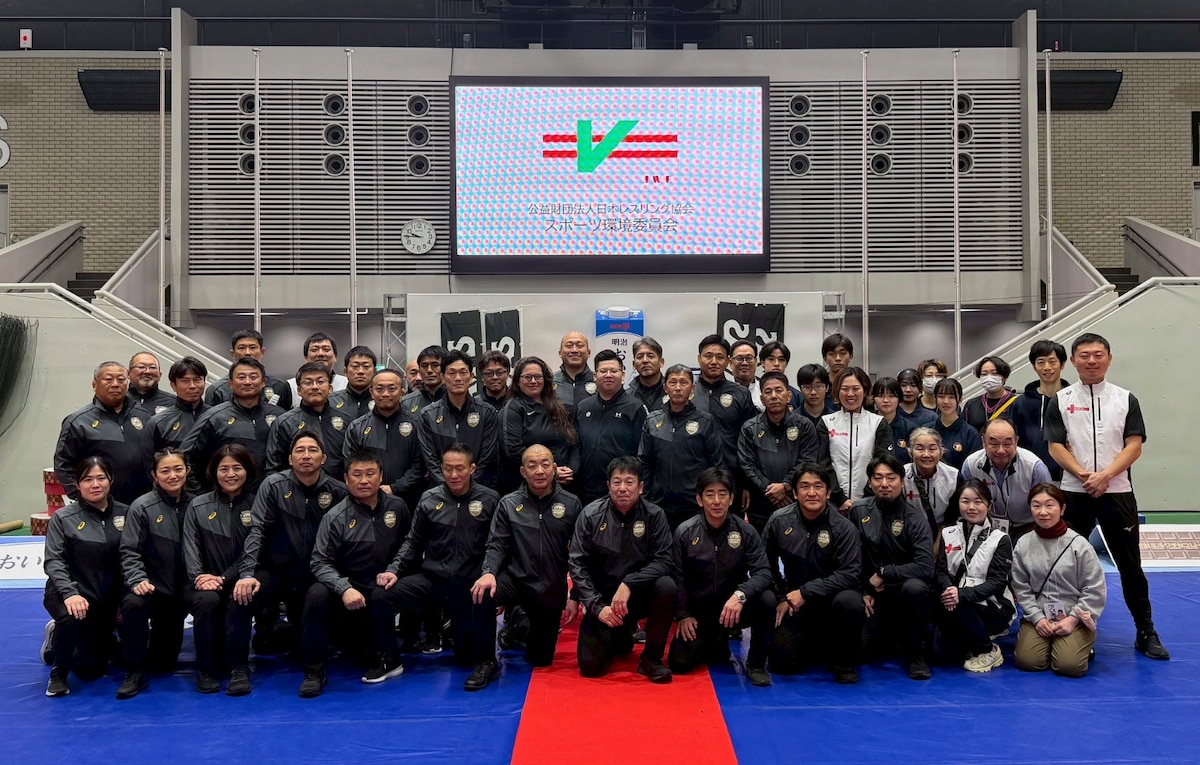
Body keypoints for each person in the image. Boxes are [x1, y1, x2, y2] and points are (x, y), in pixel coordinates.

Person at [1044, 332, 1168, 660]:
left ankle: (1145, 630)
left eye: (1098, 354)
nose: (1092, 361)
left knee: (1130, 566)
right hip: (1075, 491)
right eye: (1084, 355)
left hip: (1117, 492)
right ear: (1073, 361)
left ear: (1109, 358)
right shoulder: (1061, 400)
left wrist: (1106, 476)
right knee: (1066, 565)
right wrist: (1084, 475)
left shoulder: (1126, 399)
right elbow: (1054, 445)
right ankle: (1070, 629)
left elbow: (1134, 445)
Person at [367, 444, 501, 690]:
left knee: (465, 655)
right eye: (448, 469)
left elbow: (496, 543)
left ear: (472, 468)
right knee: (380, 595)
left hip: (469, 584)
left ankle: (486, 662)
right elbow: (412, 541)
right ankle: (389, 659)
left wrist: (489, 573)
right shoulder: (429, 498)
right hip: (433, 580)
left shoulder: (490, 499)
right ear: (441, 469)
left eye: (460, 468)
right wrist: (394, 570)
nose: (453, 475)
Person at [298, 451, 411, 697]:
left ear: (381, 476)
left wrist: (394, 571)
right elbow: (319, 563)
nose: (364, 481)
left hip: (385, 590)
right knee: (316, 594)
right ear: (347, 480)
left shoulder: (398, 507)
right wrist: (343, 588)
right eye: (357, 475)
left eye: (370, 474)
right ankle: (314, 671)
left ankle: (394, 652)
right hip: (351, 594)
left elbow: (410, 546)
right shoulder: (335, 516)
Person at [233, 433, 348, 657]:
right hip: (277, 571)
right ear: (290, 458)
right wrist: (247, 574)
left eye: (313, 450)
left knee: (309, 644)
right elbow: (257, 530)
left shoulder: (338, 491)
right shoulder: (273, 485)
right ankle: (237, 666)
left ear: (323, 458)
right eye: (300, 450)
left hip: (318, 574)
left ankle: (309, 659)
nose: (306, 455)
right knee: (242, 594)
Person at [472, 445, 583, 667]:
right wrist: (489, 573)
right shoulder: (509, 503)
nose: (539, 471)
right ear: (523, 471)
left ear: (554, 469)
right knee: (482, 593)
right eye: (532, 466)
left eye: (545, 465)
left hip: (550, 587)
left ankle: (517, 624)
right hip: (516, 580)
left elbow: (581, 555)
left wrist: (576, 597)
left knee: (541, 659)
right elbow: (496, 545)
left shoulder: (572, 504)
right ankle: (486, 663)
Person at [570, 456, 676, 682]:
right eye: (617, 482)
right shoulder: (590, 515)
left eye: (629, 482)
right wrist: (596, 606)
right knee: (589, 667)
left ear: (640, 487)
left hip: (638, 595)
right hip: (604, 600)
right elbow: (577, 565)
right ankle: (619, 635)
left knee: (666, 586)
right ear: (608, 486)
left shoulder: (655, 515)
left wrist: (630, 583)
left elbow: (665, 560)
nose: (622, 488)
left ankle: (651, 659)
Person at [670, 467, 775, 687]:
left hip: (733, 609)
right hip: (699, 612)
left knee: (767, 599)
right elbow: (677, 577)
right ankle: (714, 639)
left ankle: (755, 664)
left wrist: (742, 594)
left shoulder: (746, 532)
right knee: (678, 663)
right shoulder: (685, 532)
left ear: (731, 498)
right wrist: (683, 614)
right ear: (699, 500)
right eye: (710, 494)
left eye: (722, 494)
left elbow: (764, 572)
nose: (716, 501)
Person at [763, 463, 864, 684]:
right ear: (795, 493)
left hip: (833, 603)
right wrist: (781, 597)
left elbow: (850, 574)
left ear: (828, 493)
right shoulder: (779, 521)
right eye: (805, 486)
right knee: (781, 662)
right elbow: (764, 565)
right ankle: (815, 644)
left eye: (818, 487)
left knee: (850, 600)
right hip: (795, 605)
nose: (811, 492)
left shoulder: (844, 527)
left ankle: (843, 662)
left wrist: (807, 591)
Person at [42, 457, 128, 697]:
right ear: (77, 485)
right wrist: (70, 594)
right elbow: (54, 561)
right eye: (87, 479)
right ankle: (58, 671)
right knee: (70, 619)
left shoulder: (127, 513)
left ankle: (91, 640)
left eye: (101, 478)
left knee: (91, 668)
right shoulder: (63, 518)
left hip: (105, 596)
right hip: (69, 593)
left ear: (110, 480)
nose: (95, 484)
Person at [115, 448, 192, 699]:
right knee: (133, 604)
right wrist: (138, 579)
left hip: (179, 592)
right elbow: (129, 550)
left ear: (187, 471)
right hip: (148, 588)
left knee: (162, 665)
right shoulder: (141, 507)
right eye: (165, 471)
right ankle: (133, 670)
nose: (172, 475)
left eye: (178, 469)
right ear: (154, 475)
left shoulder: (198, 504)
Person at [850, 455, 935, 680]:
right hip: (873, 595)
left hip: (904, 594)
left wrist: (886, 573)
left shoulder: (915, 518)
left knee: (916, 588)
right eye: (878, 478)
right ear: (870, 482)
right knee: (860, 652)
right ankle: (889, 634)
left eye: (891, 477)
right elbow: (851, 557)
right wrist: (863, 590)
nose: (884, 484)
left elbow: (926, 567)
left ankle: (916, 655)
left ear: (902, 481)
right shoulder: (858, 511)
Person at [182, 444, 259, 695]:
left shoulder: (258, 504)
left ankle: (239, 667)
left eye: (237, 468)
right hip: (204, 581)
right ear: (214, 472)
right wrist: (198, 578)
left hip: (238, 577)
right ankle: (205, 669)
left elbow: (253, 549)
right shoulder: (198, 505)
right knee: (206, 601)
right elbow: (190, 545)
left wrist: (227, 577)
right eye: (224, 468)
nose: (230, 474)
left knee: (241, 595)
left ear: (247, 470)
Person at [1011, 483, 1107, 677]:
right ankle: (1051, 642)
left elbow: (1094, 588)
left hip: (1074, 615)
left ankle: (1082, 643)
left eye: (1050, 505)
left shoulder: (1080, 545)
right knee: (1028, 661)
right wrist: (1037, 618)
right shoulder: (1023, 544)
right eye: (1036, 505)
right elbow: (1021, 587)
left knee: (1069, 666)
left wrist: (1073, 619)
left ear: (1062, 509)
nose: (1043, 512)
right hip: (1040, 614)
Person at [933, 480, 1016, 673]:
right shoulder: (947, 533)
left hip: (994, 607)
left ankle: (989, 650)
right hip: (955, 602)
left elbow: (996, 583)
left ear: (989, 505)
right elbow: (941, 571)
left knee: (963, 607)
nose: (971, 507)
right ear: (958, 503)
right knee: (939, 654)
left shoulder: (1000, 539)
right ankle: (969, 640)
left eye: (978, 501)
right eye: (965, 501)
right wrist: (949, 591)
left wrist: (960, 595)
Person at [639, 364, 723, 529]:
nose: (678, 388)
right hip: (658, 504)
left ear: (692, 388)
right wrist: (646, 499)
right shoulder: (652, 420)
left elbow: (715, 465)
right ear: (665, 387)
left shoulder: (705, 421)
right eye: (673, 382)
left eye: (683, 383)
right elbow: (644, 463)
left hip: (694, 505)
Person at [55, 361, 151, 505]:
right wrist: (80, 497)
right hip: (100, 506)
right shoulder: (78, 422)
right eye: (108, 379)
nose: (115, 384)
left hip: (143, 503)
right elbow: (63, 465)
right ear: (94, 385)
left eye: (121, 379)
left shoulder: (144, 415)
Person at [182, 357, 284, 491]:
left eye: (253, 377)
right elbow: (186, 455)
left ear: (263, 382)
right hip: (225, 500)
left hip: (269, 499)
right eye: (241, 377)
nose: (247, 382)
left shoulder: (280, 416)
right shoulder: (214, 417)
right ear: (230, 384)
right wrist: (200, 494)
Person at [737, 371, 820, 532]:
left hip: (795, 500)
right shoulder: (749, 428)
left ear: (789, 396)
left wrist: (786, 486)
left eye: (779, 390)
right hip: (761, 503)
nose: (773, 396)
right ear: (762, 399)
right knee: (764, 552)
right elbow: (747, 464)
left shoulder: (804, 425)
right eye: (768, 392)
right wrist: (771, 490)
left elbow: (808, 461)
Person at [342, 367, 425, 508]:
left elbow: (420, 465)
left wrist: (395, 488)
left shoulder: (417, 424)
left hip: (409, 499)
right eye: (379, 389)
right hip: (366, 501)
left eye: (392, 389)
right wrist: (372, 487)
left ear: (402, 392)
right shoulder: (357, 427)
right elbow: (351, 463)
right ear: (371, 392)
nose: (385, 394)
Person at [574, 349, 647, 505]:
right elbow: (576, 446)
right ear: (595, 376)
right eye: (603, 371)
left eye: (614, 371)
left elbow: (642, 454)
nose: (608, 375)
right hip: (586, 489)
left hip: (621, 491)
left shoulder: (635, 408)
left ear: (622, 375)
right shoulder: (583, 407)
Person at [420, 350, 500, 491]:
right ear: (443, 377)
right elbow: (430, 459)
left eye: (463, 373)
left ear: (471, 377)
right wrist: (448, 486)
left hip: (479, 491)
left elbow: (486, 457)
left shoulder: (487, 412)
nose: (458, 378)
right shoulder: (428, 415)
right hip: (441, 492)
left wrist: (468, 486)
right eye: (451, 373)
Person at [959, 419, 1053, 538]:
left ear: (1016, 441)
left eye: (1007, 444)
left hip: (1028, 528)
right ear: (983, 442)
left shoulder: (1034, 468)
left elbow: (1050, 503)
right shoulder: (971, 465)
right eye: (994, 444)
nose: (1001, 450)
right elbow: (964, 502)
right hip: (987, 528)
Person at [499, 356, 579, 493]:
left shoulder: (558, 406)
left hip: (565, 486)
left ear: (545, 379)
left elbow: (574, 441)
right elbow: (513, 450)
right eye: (527, 377)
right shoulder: (513, 409)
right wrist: (550, 471)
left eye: (538, 377)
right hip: (529, 488)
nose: (533, 381)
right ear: (518, 381)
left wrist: (572, 469)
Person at [692, 335, 758, 499]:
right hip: (691, 479)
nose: (714, 361)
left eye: (719, 357)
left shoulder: (741, 394)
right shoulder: (688, 391)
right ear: (699, 359)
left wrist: (746, 485)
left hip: (731, 479)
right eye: (708, 356)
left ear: (728, 361)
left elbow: (749, 443)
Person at [823, 367, 892, 511]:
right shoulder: (826, 422)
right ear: (836, 391)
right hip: (833, 504)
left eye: (856, 388)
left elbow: (883, 463)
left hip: (871, 503)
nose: (850, 394)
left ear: (865, 391)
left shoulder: (878, 422)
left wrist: (864, 500)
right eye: (845, 389)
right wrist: (840, 499)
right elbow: (823, 463)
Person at [266, 362, 348, 479]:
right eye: (308, 382)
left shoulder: (346, 421)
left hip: (338, 491)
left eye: (320, 382)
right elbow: (274, 468)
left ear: (330, 388)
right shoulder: (284, 423)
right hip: (295, 491)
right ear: (299, 390)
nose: (314, 387)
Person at [1013, 340, 1069, 481]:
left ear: (1062, 365)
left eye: (1052, 361)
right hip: (1032, 477)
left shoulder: (1074, 399)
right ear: (1034, 367)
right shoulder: (1021, 403)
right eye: (1041, 362)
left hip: (1070, 477)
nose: (1047, 367)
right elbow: (1017, 442)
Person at [205, 329, 293, 409]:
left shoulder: (279, 386)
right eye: (241, 348)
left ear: (262, 352)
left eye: (252, 348)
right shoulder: (217, 390)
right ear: (233, 353)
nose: (247, 353)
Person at [902, 427, 961, 536]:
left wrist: (940, 541)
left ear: (941, 451)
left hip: (944, 532)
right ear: (910, 452)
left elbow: (953, 517)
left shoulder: (953, 477)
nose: (926, 454)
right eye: (920, 449)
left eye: (932, 449)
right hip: (909, 531)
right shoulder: (901, 475)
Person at [149, 357, 209, 452]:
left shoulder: (217, 417)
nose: (192, 386)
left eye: (197, 380)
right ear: (173, 385)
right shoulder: (159, 422)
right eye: (185, 381)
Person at [287, 332, 349, 406]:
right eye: (314, 350)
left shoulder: (347, 384)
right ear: (306, 357)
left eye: (326, 349)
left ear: (335, 356)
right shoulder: (290, 387)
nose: (320, 354)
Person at [932, 377, 981, 470]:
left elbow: (974, 467)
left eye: (951, 397)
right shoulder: (926, 430)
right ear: (935, 398)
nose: (946, 401)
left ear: (960, 399)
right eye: (941, 396)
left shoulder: (970, 433)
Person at [962, 356, 1019, 432]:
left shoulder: (1018, 403)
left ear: (1005, 377)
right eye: (984, 374)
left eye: (994, 373)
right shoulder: (971, 405)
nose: (989, 378)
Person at [552, 330, 595, 416]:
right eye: (569, 346)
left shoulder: (599, 381)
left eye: (580, 346)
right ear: (560, 353)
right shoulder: (549, 382)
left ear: (589, 352)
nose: (574, 350)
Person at [328, 345, 377, 420]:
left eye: (366, 367)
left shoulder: (381, 400)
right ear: (345, 371)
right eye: (355, 366)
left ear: (374, 371)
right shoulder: (331, 401)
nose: (360, 371)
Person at [872, 377, 914, 463]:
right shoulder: (867, 424)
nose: (886, 400)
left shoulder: (910, 428)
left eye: (891, 396)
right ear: (873, 398)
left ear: (899, 398)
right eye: (880, 396)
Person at [753, 341, 804, 412]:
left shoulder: (797, 396)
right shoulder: (753, 392)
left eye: (781, 360)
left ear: (786, 363)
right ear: (762, 363)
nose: (776, 364)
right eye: (771, 359)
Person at [402, 345, 447, 414]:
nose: (429, 370)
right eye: (424, 366)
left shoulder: (455, 399)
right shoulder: (405, 403)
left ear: (445, 368)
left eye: (435, 365)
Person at [128, 351, 175, 417]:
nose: (147, 371)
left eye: (152, 367)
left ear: (160, 374)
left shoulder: (173, 403)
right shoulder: (118, 400)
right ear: (128, 373)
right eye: (141, 367)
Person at [627, 336, 666, 413]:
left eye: (650, 356)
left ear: (661, 362)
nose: (645, 360)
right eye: (640, 357)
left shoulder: (672, 392)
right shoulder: (627, 396)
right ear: (634, 364)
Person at [794, 363, 835, 432]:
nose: (813, 392)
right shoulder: (793, 420)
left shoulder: (834, 419)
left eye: (819, 386)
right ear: (800, 389)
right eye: (807, 387)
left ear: (827, 388)